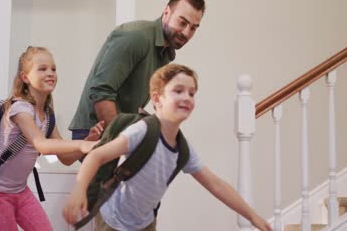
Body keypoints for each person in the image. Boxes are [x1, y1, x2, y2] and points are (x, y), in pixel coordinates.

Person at [63, 64, 272, 231]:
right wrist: (79, 190)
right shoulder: (142, 130)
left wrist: (252, 216)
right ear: (157, 99)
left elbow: (216, 185)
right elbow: (97, 155)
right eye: (178, 91)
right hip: (114, 221)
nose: (186, 98)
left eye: (191, 93)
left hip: (145, 223)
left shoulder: (183, 148)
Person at [0, 46, 104, 231]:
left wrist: (89, 139)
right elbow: (42, 145)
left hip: (20, 193)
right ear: (25, 77)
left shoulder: (47, 114)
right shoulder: (20, 109)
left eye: (53, 69)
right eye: (42, 69)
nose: (51, 73)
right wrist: (83, 144)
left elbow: (66, 159)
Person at [69, 0, 205, 146]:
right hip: (93, 131)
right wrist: (121, 142)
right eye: (182, 22)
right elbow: (101, 91)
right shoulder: (135, 37)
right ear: (167, 12)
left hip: (116, 130)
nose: (186, 33)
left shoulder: (165, 51)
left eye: (193, 28)